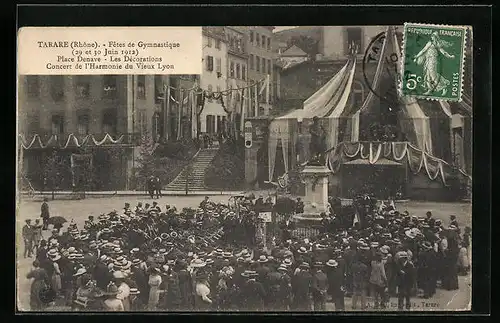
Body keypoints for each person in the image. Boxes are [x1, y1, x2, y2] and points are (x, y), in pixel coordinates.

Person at [412, 31, 455, 95]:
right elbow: (423, 50)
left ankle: (443, 87)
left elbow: (443, 52)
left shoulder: (437, 44)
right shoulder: (430, 43)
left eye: (433, 36)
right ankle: (430, 89)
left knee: (433, 75)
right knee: (427, 75)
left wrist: (450, 56)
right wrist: (417, 56)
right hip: (428, 60)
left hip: (433, 60)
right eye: (432, 36)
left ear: (436, 37)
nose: (432, 37)